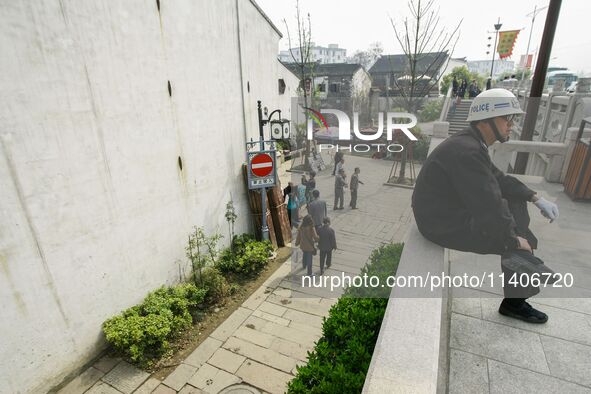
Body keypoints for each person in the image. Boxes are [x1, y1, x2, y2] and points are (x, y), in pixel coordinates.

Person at [412, 88, 560, 324]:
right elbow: (488, 206)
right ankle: (515, 300)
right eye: (507, 118)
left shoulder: (471, 142)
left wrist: (535, 197)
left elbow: (498, 179)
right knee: (517, 245)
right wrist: (514, 241)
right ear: (486, 119)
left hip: (446, 213)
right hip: (441, 224)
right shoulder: (468, 151)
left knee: (516, 202)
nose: (511, 124)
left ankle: (521, 254)